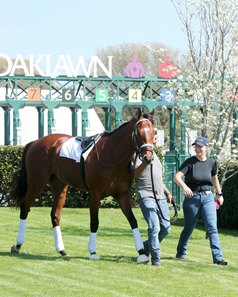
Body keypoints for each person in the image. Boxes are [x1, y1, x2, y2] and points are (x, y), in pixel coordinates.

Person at [174, 136, 227, 265]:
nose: (198, 149)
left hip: (208, 198)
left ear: (206, 148)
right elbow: (177, 177)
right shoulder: (189, 162)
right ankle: (181, 252)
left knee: (212, 227)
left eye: (200, 146)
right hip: (192, 199)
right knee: (189, 228)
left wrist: (219, 194)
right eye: (196, 146)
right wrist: (185, 187)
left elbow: (214, 179)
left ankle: (218, 258)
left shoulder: (212, 163)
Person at [134, 132, 172, 266]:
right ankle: (156, 260)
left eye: (155, 138)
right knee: (154, 227)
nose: (154, 140)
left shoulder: (157, 156)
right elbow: (134, 174)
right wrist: (144, 163)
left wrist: (167, 193)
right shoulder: (138, 154)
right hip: (146, 195)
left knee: (166, 228)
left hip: (160, 196)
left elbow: (158, 178)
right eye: (152, 137)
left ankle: (145, 247)